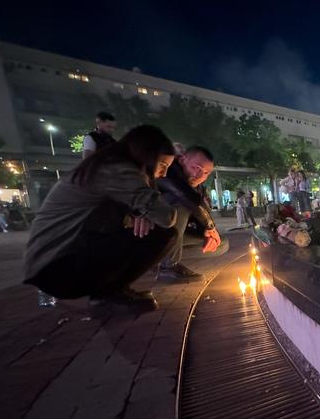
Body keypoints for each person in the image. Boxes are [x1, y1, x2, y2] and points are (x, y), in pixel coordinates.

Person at [24, 125, 178, 312]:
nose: (164, 174)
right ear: (147, 155)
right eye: (163, 165)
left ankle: (109, 291)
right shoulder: (118, 171)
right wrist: (145, 209)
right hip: (57, 269)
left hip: (53, 266)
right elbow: (166, 216)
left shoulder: (106, 166)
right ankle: (107, 294)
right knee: (164, 234)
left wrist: (139, 211)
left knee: (149, 230)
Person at [156, 145, 222, 281]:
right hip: (146, 229)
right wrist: (210, 226)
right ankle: (168, 266)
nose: (198, 175)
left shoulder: (197, 188)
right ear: (181, 160)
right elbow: (186, 197)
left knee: (219, 243)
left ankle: (158, 259)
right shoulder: (168, 171)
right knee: (182, 202)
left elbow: (200, 207)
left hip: (170, 235)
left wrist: (208, 231)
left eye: (205, 173)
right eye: (196, 168)